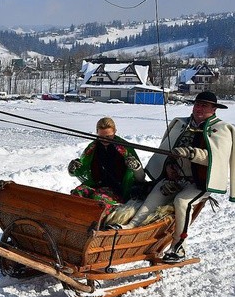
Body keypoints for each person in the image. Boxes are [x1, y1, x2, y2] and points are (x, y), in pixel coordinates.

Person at [120, 91, 234, 262]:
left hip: (199, 183)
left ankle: (179, 247)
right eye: (197, 104)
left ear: (214, 109)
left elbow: (217, 158)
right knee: (150, 201)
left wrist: (191, 153)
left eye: (204, 105)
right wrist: (168, 166)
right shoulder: (180, 124)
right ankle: (129, 228)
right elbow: (167, 151)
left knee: (182, 202)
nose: (199, 108)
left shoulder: (221, 129)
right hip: (174, 179)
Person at [68, 116, 145, 211]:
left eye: (108, 136)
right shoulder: (91, 149)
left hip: (118, 190)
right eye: (101, 137)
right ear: (97, 132)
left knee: (98, 200)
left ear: (115, 131)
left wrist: (136, 167)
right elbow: (82, 171)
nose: (105, 140)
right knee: (77, 193)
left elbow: (141, 177)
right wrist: (72, 169)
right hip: (95, 186)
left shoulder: (125, 149)